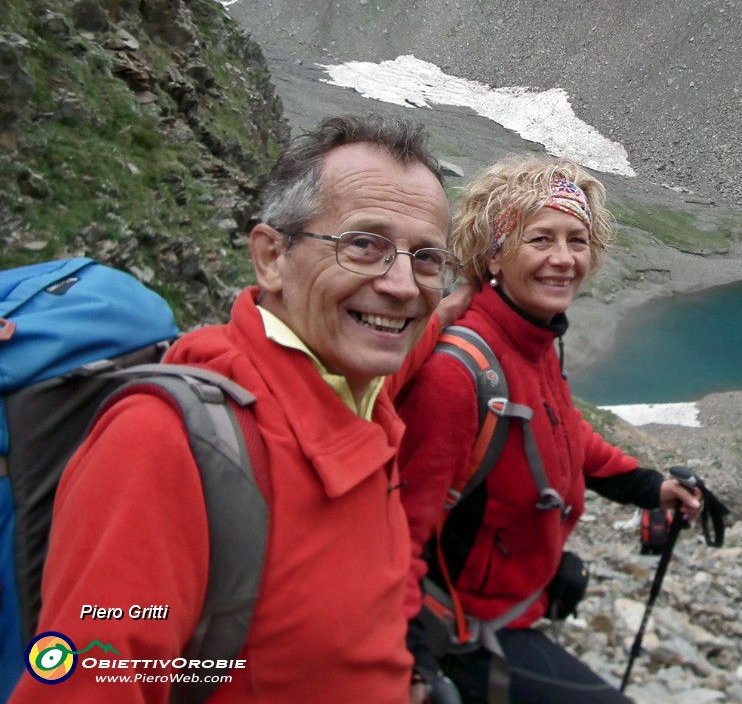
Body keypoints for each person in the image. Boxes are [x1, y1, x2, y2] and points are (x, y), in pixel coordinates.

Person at [11, 113, 467, 704]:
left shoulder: (356, 383)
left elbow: (413, 326)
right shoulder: (166, 442)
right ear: (272, 256)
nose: (404, 285)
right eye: (363, 245)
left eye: (427, 257)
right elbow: (85, 681)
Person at [395, 155, 702, 703]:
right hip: (461, 634)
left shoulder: (534, 339)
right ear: (495, 253)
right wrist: (412, 666)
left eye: (577, 241)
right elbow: (399, 532)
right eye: (540, 240)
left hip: (507, 611)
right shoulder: (458, 373)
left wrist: (650, 488)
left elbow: (566, 433)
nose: (563, 259)